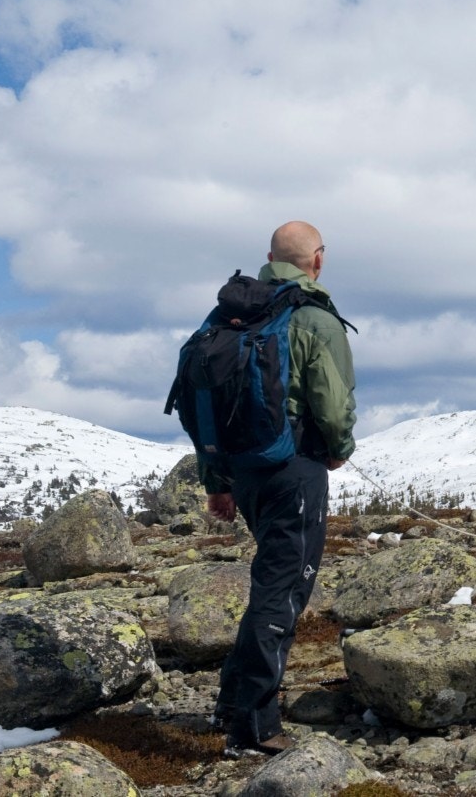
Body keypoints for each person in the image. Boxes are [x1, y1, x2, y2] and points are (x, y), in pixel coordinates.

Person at [204, 220, 357, 757]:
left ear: (269, 257)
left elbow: (211, 405)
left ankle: (232, 702)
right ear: (319, 259)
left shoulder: (230, 316)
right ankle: (255, 725)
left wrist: (218, 483)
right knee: (282, 591)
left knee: (270, 582)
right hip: (296, 469)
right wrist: (339, 448)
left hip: (245, 472)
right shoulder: (314, 318)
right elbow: (333, 406)